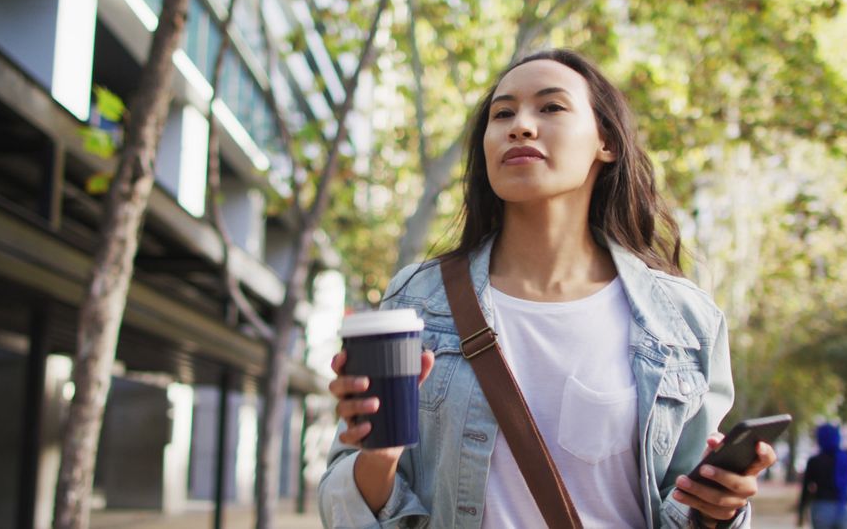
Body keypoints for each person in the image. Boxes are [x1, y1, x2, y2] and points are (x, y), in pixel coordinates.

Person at [319, 49, 777, 528]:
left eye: (551, 107)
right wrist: (380, 457)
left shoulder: (684, 320)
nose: (520, 126)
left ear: (607, 142)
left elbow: (687, 511)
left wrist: (720, 509)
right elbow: (347, 501)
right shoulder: (417, 300)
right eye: (503, 114)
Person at [797, 424, 847, 529]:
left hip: (822, 507)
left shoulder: (815, 461)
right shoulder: (845, 459)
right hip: (843, 507)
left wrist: (801, 511)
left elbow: (806, 488)